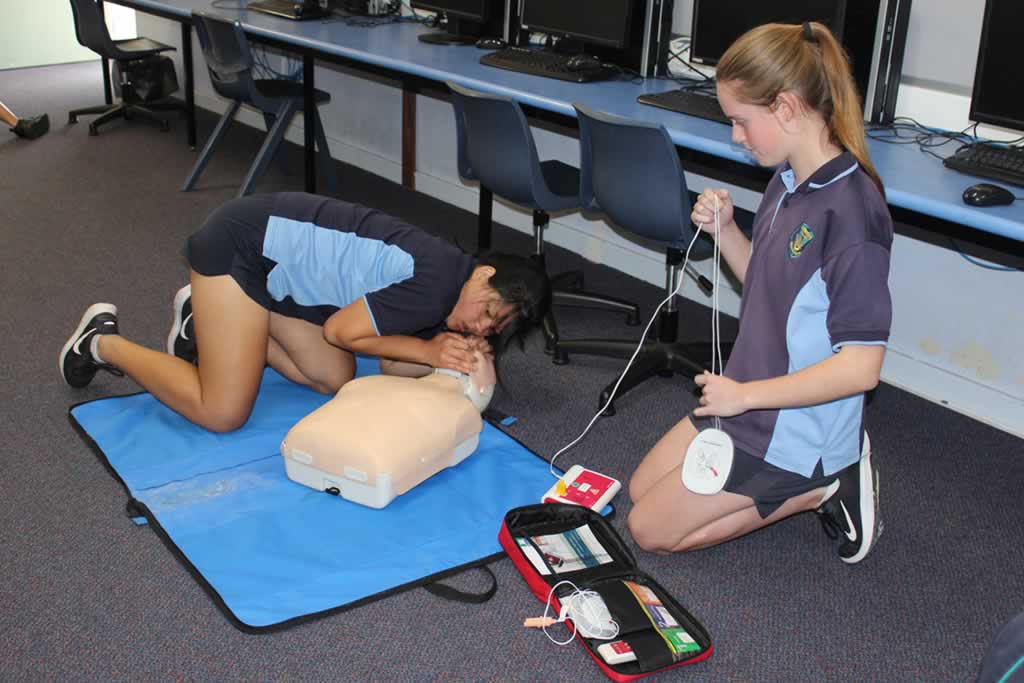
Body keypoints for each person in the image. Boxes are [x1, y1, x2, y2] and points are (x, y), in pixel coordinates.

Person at [627, 21, 893, 565]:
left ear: (788, 109)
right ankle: (795, 475)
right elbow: (770, 292)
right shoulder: (788, 182)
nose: (736, 137)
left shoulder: (854, 214)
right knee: (638, 492)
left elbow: (863, 368)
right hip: (747, 397)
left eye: (742, 122)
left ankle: (827, 482)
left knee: (648, 529)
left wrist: (744, 396)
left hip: (792, 424)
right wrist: (726, 231)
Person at [59, 192, 550, 433]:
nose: (483, 325)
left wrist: (449, 356)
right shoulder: (437, 280)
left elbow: (392, 365)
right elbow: (341, 331)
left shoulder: (450, 293)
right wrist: (428, 348)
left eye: (495, 326)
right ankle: (102, 341)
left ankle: (206, 321)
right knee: (223, 412)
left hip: (278, 277)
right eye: (489, 310)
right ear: (483, 275)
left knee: (335, 378)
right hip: (241, 247)